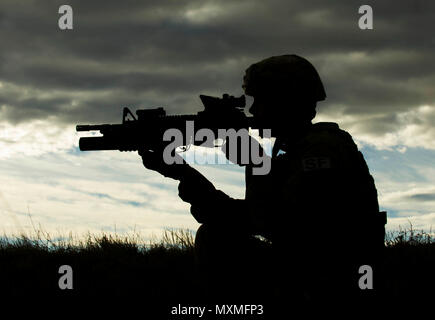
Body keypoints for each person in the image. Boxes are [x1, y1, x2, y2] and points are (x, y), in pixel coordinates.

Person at [139, 54, 386, 303]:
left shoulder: (322, 150)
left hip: (336, 283)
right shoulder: (294, 149)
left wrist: (253, 160)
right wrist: (183, 173)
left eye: (260, 100)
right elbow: (252, 215)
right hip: (316, 271)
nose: (253, 110)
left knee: (216, 239)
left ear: (286, 100)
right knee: (216, 232)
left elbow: (277, 222)